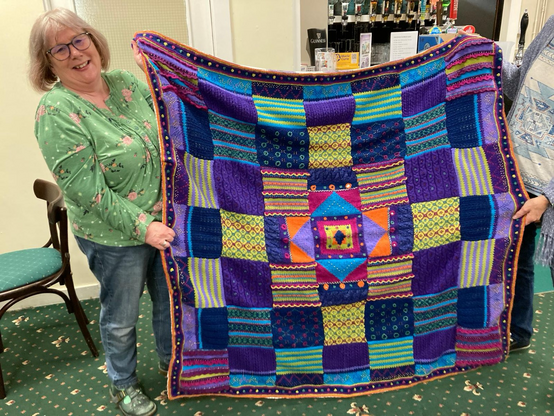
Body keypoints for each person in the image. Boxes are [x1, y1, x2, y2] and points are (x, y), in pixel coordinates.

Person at [29, 8, 175, 416]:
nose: (76, 53)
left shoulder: (126, 82)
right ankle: (123, 385)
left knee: (169, 302)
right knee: (121, 316)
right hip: (114, 236)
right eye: (60, 49)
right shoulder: (56, 111)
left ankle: (172, 364)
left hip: (165, 221)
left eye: (79, 40)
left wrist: (157, 72)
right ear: (47, 63)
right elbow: (86, 190)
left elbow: (173, 119)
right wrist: (144, 226)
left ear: (93, 40)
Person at [505, 15, 554, 352]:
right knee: (516, 256)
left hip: (546, 183)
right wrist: (485, 52)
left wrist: (546, 199)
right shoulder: (550, 28)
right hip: (516, 169)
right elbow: (517, 85)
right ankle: (518, 330)